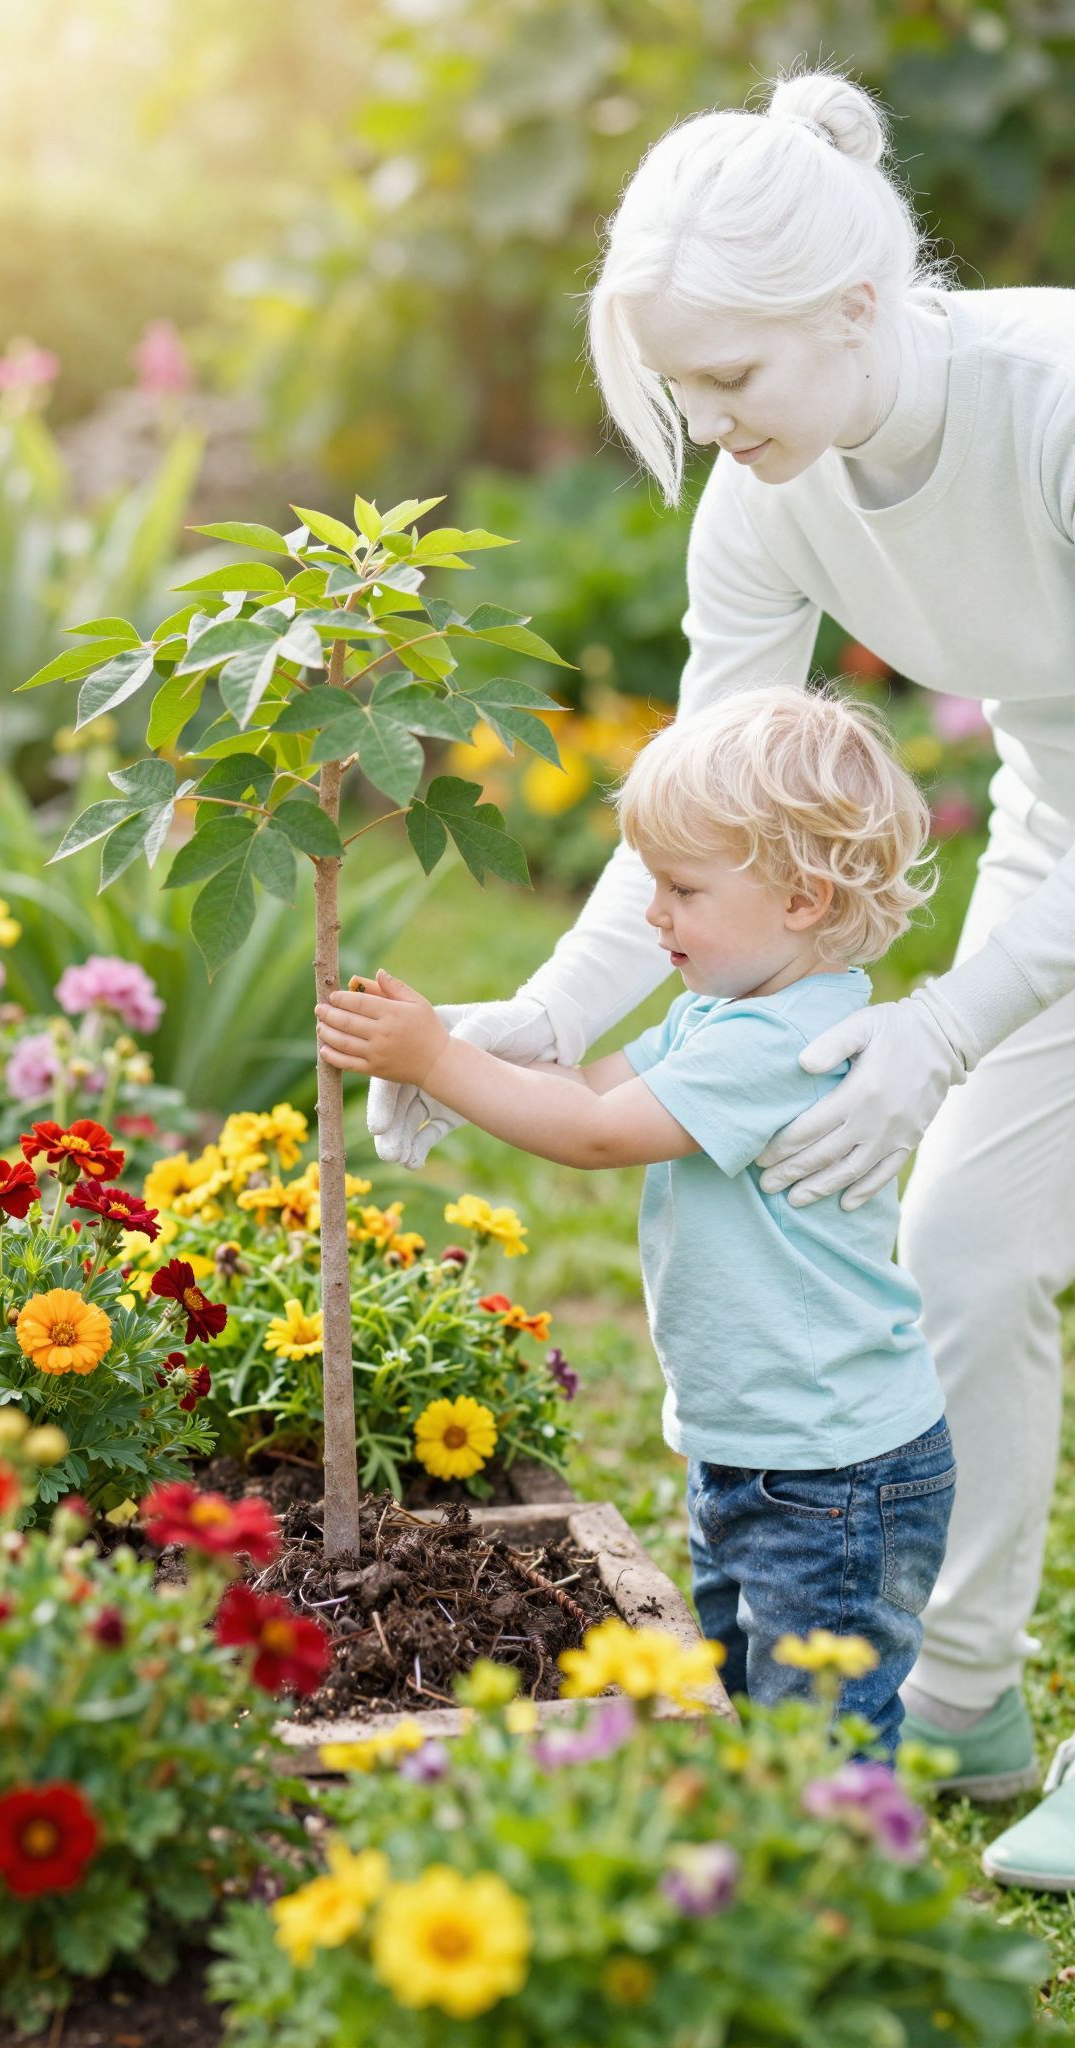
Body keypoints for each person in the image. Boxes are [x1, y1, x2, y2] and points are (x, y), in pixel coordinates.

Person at [366, 65, 1075, 1882]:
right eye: (677, 386)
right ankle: (962, 1692)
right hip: (1055, 856)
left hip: (1031, 900)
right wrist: (542, 1015)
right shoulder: (770, 488)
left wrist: (941, 1026)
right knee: (964, 1256)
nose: (704, 421)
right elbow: (692, 801)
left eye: (730, 379)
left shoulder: (1051, 404)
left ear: (856, 305)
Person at [320, 686, 956, 1752]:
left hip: (835, 1476)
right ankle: (776, 1880)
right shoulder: (727, 1011)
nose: (653, 912)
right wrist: (475, 1047)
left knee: (823, 1740)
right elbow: (588, 1075)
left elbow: (600, 1130)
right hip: (763, 1449)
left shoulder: (785, 1045)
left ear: (800, 897)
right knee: (758, 1706)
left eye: (682, 887)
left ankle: (837, 1906)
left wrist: (437, 1058)